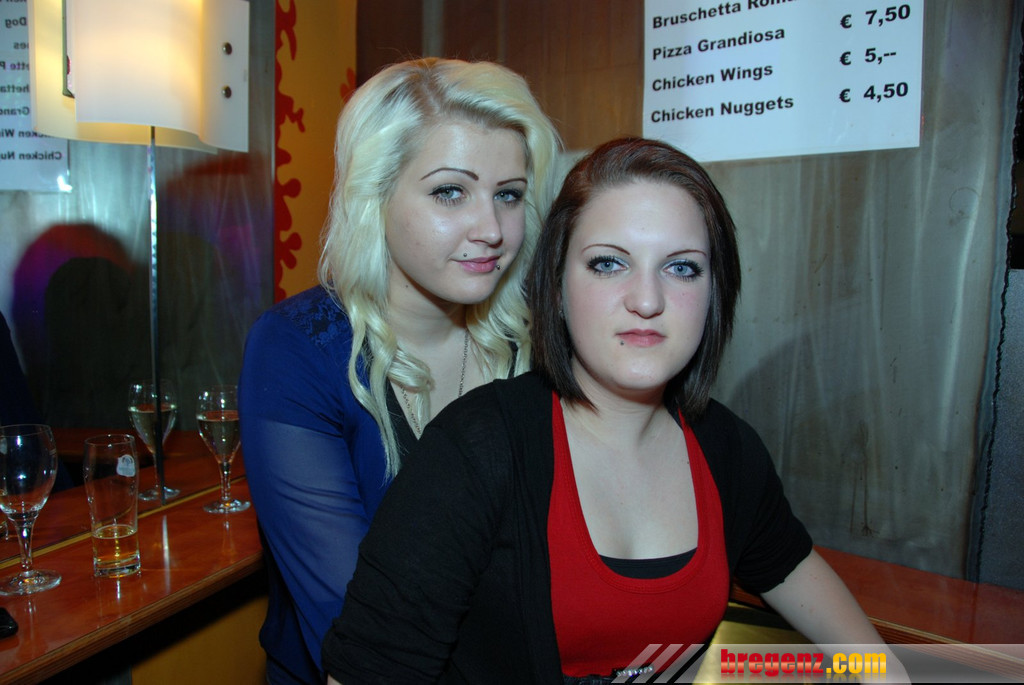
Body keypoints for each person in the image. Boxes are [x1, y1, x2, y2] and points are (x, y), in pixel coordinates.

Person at [321, 138, 892, 683]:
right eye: (608, 264)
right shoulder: (475, 452)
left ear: (715, 294)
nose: (647, 300)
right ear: (555, 286)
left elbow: (799, 577)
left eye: (681, 268)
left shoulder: (729, 450)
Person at [238, 58, 564, 684]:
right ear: (375, 195)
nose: (492, 229)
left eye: (509, 194)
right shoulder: (296, 349)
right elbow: (353, 628)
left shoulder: (541, 345)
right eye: (450, 192)